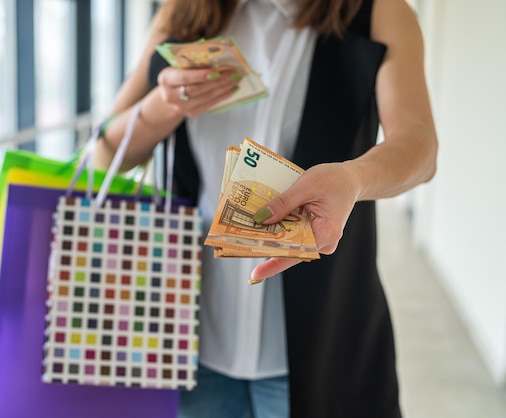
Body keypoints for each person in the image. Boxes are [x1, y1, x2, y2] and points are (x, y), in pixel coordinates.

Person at [94, 0, 438, 417]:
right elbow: (107, 151)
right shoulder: (182, 10)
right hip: (187, 335)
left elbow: (420, 146)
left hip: (323, 338)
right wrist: (165, 105)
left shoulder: (378, 11)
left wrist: (354, 178)